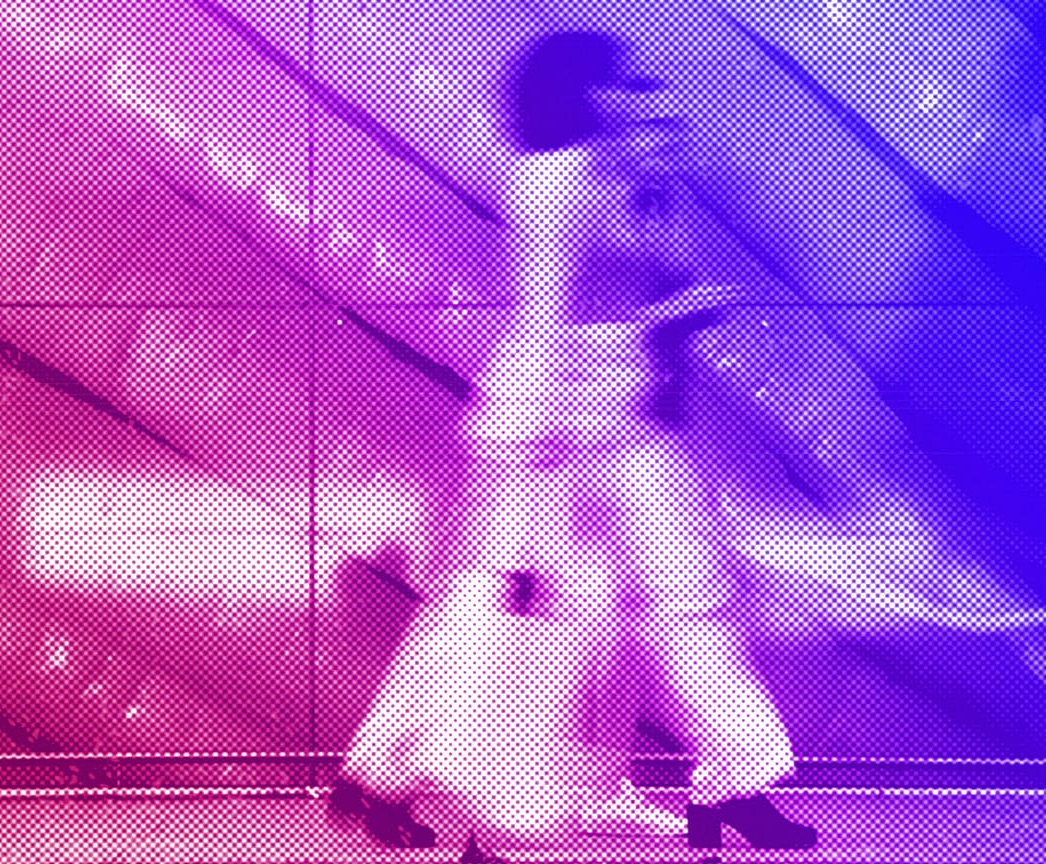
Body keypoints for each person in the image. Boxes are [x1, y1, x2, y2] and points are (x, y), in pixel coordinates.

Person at [331, 31, 818, 858]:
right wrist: (542, 448)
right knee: (515, 615)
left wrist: (662, 270)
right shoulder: (554, 177)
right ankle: (449, 797)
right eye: (622, 85)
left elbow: (639, 304)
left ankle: (727, 780)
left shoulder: (626, 185)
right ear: (585, 93)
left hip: (610, 413)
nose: (635, 99)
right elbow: (546, 315)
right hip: (549, 421)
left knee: (642, 598)